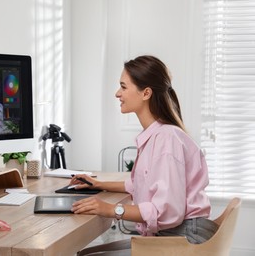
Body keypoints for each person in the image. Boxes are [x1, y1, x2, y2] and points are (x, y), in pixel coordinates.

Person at [70, 55, 217, 256]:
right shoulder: (159, 134)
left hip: (185, 239)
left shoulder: (166, 139)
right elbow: (140, 184)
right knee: (84, 254)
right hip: (178, 234)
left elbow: (168, 211)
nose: (117, 93)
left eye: (123, 87)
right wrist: (99, 184)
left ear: (146, 93)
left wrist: (112, 209)